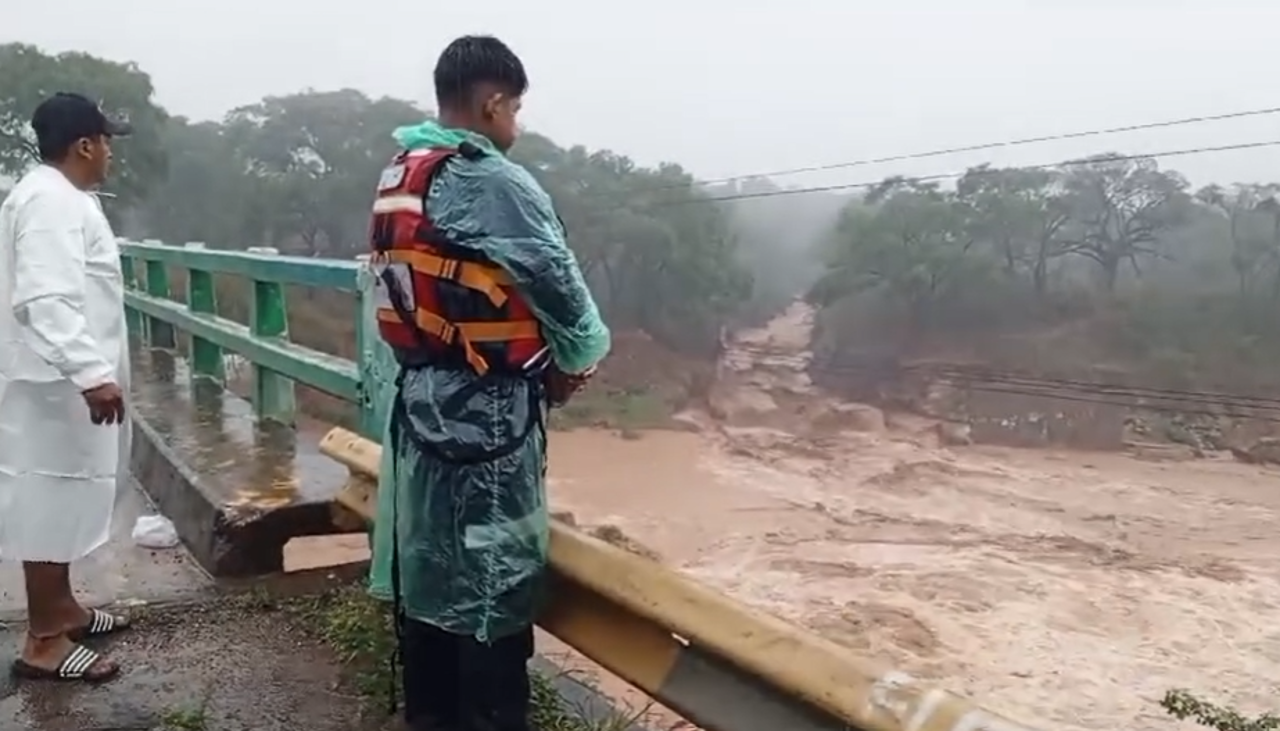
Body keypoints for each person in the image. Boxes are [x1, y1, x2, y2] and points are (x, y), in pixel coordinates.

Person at [364, 36, 611, 731]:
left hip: (418, 407)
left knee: (430, 574)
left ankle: (429, 716)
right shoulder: (489, 179)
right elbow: (562, 290)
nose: (517, 126)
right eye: (516, 109)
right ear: (493, 101)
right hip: (491, 420)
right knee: (491, 587)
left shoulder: (404, 168)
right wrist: (575, 362)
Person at [0, 92, 135, 683]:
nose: (109, 153)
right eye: (106, 141)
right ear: (85, 144)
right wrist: (91, 373)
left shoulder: (57, 198)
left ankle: (64, 609)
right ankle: (44, 642)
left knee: (65, 496)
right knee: (49, 502)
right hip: (54, 386)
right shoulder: (52, 203)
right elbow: (45, 299)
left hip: (56, 384)